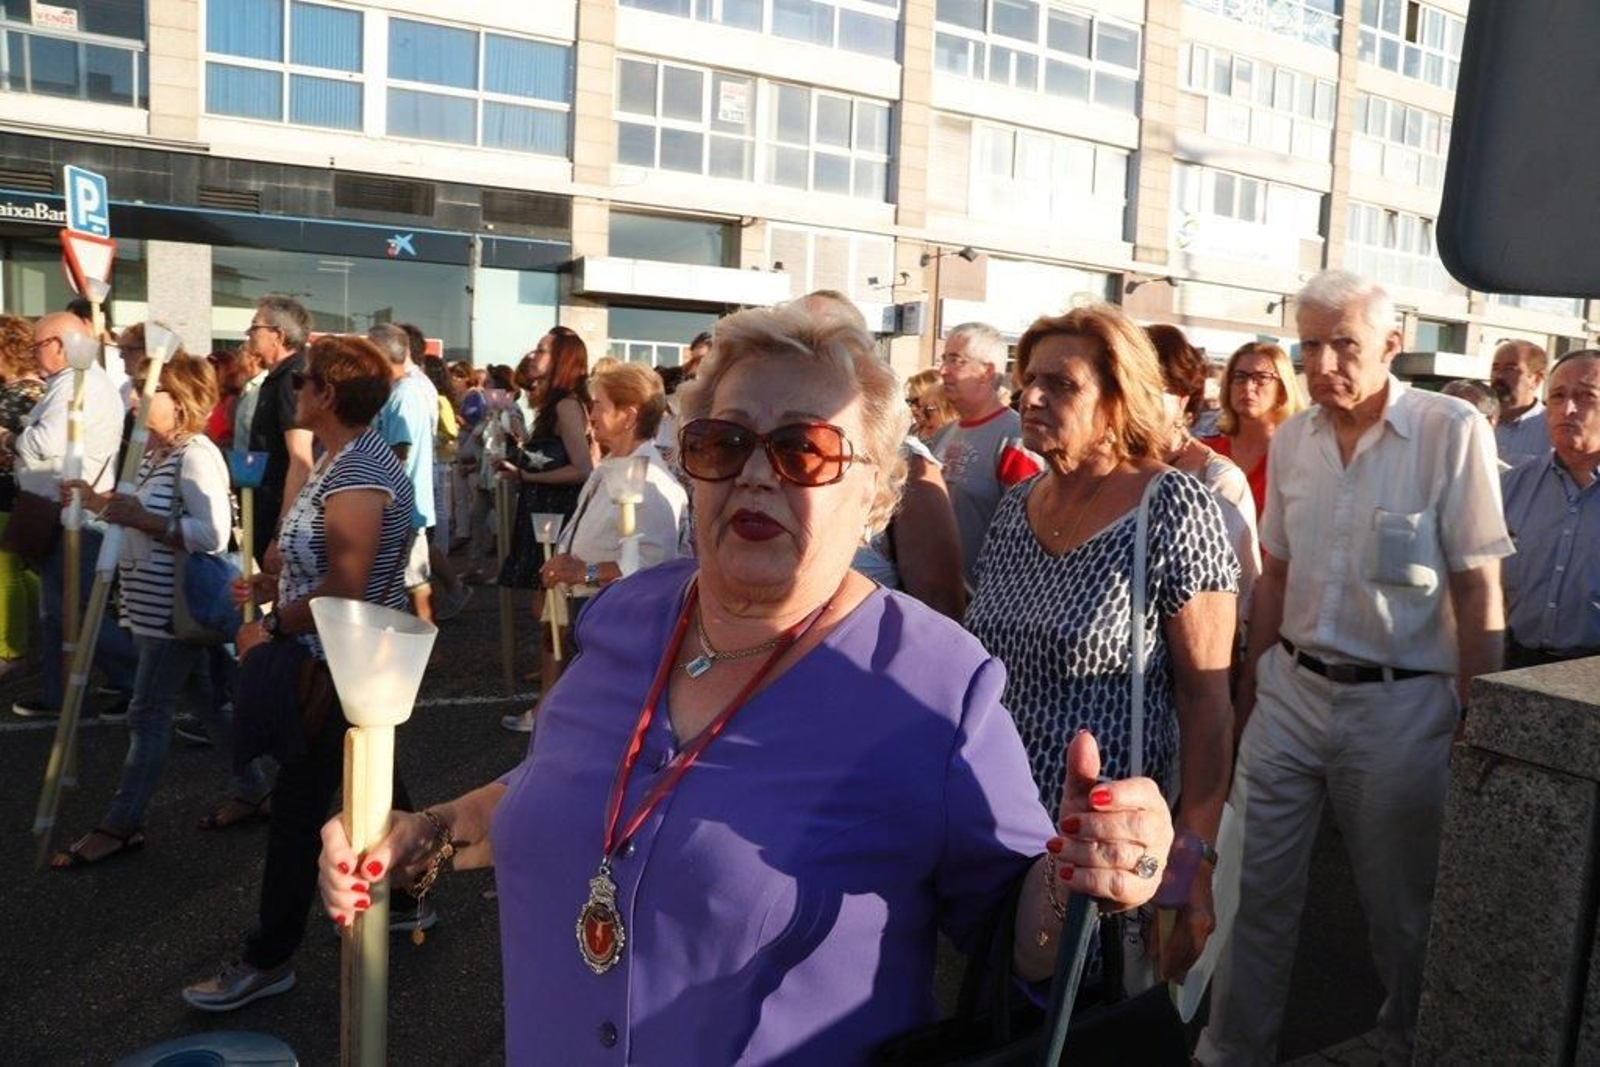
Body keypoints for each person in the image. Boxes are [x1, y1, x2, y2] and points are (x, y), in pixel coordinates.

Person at [315, 301, 1178, 1062]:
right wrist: (425, 833)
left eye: (804, 449)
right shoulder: (621, 620)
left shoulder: (934, 685)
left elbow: (1013, 942)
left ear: (875, 493)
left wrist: (1083, 870)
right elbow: (553, 785)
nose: (756, 473)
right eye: (723, 444)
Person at [1198, 271, 1511, 1067]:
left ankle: (1408, 1041)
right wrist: (1251, 692)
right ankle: (1231, 1050)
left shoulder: (1448, 430)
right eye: (1310, 344)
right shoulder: (1295, 438)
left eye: (1344, 343)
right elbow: (1274, 573)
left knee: (1400, 906)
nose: (1323, 362)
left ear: (1392, 345)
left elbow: (1479, 585)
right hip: (1290, 692)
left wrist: (1479, 719)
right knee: (1251, 889)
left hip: (1400, 708)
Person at [965, 304, 1238, 981]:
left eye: (1061, 384)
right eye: (1029, 379)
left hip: (1108, 855)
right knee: (991, 1008)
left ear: (1118, 402)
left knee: (1086, 1019)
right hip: (996, 831)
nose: (1032, 397)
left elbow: (1207, 703)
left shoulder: (1174, 507)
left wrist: (1193, 860)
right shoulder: (1015, 505)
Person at [183, 334, 422, 1012]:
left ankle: (270, 956)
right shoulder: (340, 458)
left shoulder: (358, 471)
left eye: (302, 381)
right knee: (373, 777)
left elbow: (348, 586)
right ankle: (410, 896)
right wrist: (274, 581)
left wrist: (273, 624)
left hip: (344, 659)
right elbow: (327, 566)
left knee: (297, 807)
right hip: (346, 658)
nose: (293, 389)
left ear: (328, 394)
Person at [51, 354, 270, 867]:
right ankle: (254, 788)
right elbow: (142, 515)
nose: (135, 398)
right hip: (158, 610)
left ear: (181, 400)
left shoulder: (195, 454)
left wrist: (144, 520)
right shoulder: (155, 452)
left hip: (175, 612)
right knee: (206, 703)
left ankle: (121, 824)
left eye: (150, 390)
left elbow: (212, 534)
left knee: (148, 713)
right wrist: (97, 501)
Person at [502, 362, 689, 732]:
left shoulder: (652, 484)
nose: (590, 414)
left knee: (598, 723)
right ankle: (549, 714)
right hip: (586, 608)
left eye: (600, 405)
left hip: (612, 623)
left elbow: (655, 568)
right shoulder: (613, 466)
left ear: (628, 415)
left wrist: (584, 572)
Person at [0, 312, 136, 718]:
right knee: (61, 613)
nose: (33, 354)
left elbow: (46, 441)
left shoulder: (80, 384)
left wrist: (10, 438)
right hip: (61, 509)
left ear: (60, 344)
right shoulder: (70, 383)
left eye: (37, 346)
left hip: (76, 513)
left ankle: (135, 676)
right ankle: (61, 694)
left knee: (74, 612)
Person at [1148, 324, 1261, 625]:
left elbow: (1240, 595)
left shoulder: (1217, 479)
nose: (1135, 403)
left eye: (1151, 389)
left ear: (1182, 398)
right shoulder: (1107, 469)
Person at [1499, 350, 1600, 667]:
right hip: (1512, 666)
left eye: (1586, 397)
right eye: (1557, 396)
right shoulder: (1510, 487)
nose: (1568, 409)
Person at [936, 321, 1041, 588]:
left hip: (985, 597)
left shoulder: (1016, 439)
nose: (943, 370)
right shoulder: (942, 434)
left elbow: (1028, 534)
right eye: (944, 359)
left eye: (956, 361)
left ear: (987, 372)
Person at [494, 327, 594, 591]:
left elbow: (582, 468)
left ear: (561, 359)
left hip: (556, 513)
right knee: (544, 595)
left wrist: (526, 475)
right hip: (546, 511)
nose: (532, 355)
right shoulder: (556, 405)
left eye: (541, 350)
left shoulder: (566, 405)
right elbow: (553, 456)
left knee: (550, 596)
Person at [369, 323, 441, 624]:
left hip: (402, 506)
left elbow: (401, 451)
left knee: (411, 583)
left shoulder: (405, 393)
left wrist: (381, 498)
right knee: (412, 581)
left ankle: (425, 641)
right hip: (402, 504)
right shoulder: (402, 389)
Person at [1200, 341, 1304, 524]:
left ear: (1282, 390)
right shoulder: (1205, 453)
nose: (1248, 387)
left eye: (1261, 377)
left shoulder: (1297, 459)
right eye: (1240, 377)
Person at [245, 296, 316, 563]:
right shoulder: (277, 377)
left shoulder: (291, 379)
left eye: (255, 326)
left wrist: (281, 535)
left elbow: (301, 460)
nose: (248, 333)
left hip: (280, 513)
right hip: (266, 504)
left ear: (278, 335)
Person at [0, 314, 42, 676]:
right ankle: (48, 624)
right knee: (19, 567)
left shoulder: (22, 393)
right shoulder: (26, 390)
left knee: (5, 567)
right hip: (18, 489)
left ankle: (11, 651)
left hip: (10, 490)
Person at [1490, 339, 1551, 466]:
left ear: (1536, 379)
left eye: (1510, 369)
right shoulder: (1477, 420)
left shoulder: (1552, 430)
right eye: (1495, 368)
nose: (1499, 376)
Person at [905, 367, 956, 451]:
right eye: (910, 402)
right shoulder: (912, 431)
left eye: (917, 401)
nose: (913, 408)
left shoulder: (956, 437)